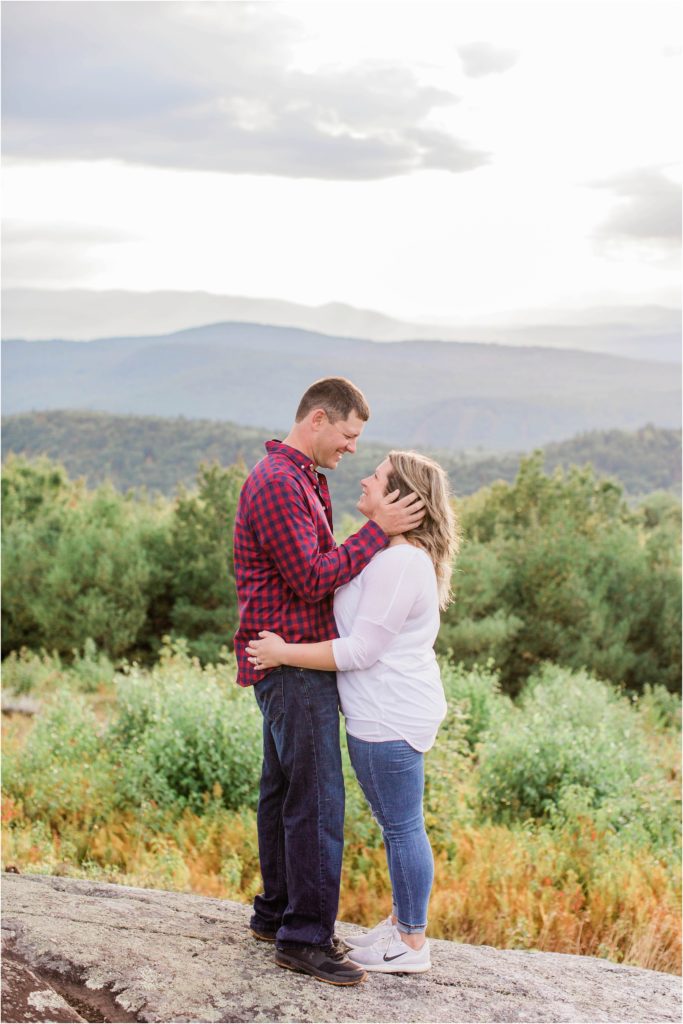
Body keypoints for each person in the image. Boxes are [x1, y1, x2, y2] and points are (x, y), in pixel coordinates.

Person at [233, 377, 425, 987]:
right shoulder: (278, 484)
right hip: (291, 667)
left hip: (292, 658)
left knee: (283, 791)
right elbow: (313, 578)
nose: (351, 450)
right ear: (318, 419)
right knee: (316, 802)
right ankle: (306, 937)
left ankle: (277, 913)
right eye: (348, 436)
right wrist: (376, 530)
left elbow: (322, 573)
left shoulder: (304, 480)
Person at [247, 450, 458, 974]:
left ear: (401, 500)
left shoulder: (401, 562)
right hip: (377, 712)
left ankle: (411, 942)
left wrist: (283, 652)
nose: (364, 478)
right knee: (395, 825)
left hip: (392, 715)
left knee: (403, 827)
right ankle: (400, 926)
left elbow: (361, 649)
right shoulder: (386, 554)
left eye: (379, 477)